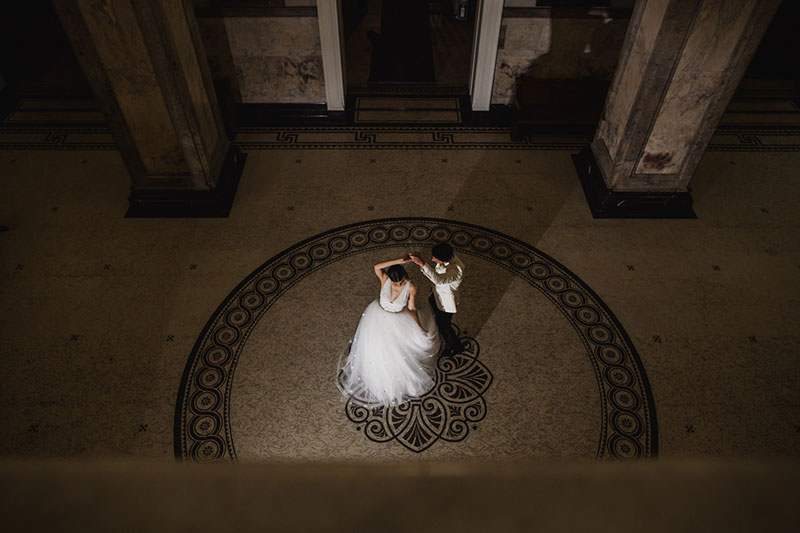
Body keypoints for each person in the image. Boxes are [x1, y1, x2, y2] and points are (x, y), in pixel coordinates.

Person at [338, 255, 441, 407]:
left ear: (405, 277)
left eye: (400, 282)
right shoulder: (385, 279)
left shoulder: (411, 286)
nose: (397, 284)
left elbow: (411, 308)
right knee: (376, 347)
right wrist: (399, 261)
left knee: (396, 352)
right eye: (395, 282)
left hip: (398, 320)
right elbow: (377, 267)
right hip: (378, 316)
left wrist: (419, 327)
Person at [409, 243, 465, 358]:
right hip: (437, 295)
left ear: (444, 260)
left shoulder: (456, 270)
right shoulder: (446, 258)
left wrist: (422, 263)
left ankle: (456, 346)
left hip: (446, 303)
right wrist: (422, 263)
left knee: (444, 326)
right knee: (434, 311)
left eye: (435, 258)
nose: (432, 259)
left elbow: (438, 280)